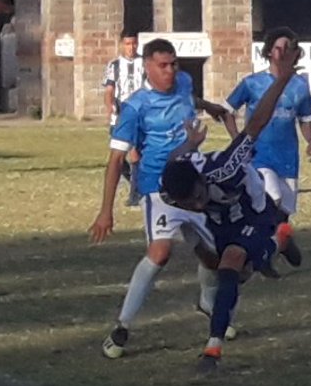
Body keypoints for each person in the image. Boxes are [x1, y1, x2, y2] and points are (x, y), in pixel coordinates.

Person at [160, 41, 302, 373]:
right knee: (235, 272)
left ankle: (213, 349)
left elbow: (256, 124)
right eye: (190, 203)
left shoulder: (224, 167)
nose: (196, 203)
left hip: (253, 208)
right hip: (222, 220)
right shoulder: (174, 190)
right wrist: (188, 144)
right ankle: (279, 241)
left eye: (198, 196)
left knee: (232, 265)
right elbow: (172, 160)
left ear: (202, 179)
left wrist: (282, 78)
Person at [89, 38, 231, 359]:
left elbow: (187, 98)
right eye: (162, 65)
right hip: (158, 188)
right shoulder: (135, 108)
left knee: (215, 256)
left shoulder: (184, 82)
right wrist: (105, 211)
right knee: (161, 252)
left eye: (173, 64)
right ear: (147, 67)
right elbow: (115, 160)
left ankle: (207, 303)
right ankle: (122, 327)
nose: (170, 71)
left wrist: (208, 106)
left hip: (193, 182)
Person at [221, 27, 311, 274]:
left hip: (288, 158)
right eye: (278, 48)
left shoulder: (300, 86)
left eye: (288, 48)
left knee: (283, 212)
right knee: (271, 201)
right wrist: (239, 141)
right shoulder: (252, 83)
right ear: (268, 52)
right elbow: (227, 111)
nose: (282, 52)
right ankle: (259, 253)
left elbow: (305, 118)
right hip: (259, 156)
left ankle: (274, 248)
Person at [103, 31, 146, 207]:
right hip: (119, 115)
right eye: (128, 44)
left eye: (134, 43)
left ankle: (135, 196)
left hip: (138, 114)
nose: (131, 47)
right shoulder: (114, 66)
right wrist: (111, 107)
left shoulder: (145, 63)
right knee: (117, 158)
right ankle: (138, 185)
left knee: (134, 153)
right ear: (122, 44)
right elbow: (109, 90)